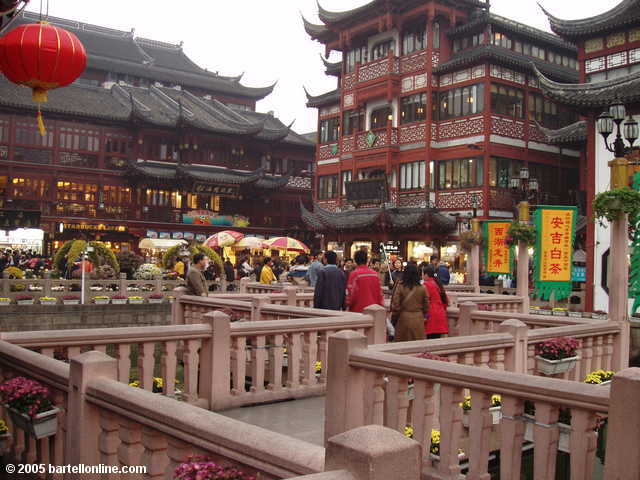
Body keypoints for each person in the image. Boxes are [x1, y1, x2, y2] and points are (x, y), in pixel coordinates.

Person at [391, 264, 429, 342]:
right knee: (418, 347)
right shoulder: (423, 288)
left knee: (402, 346)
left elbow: (395, 305)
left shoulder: (400, 286)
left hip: (403, 319)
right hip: (418, 319)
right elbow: (426, 306)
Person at [423, 264, 449, 339]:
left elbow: (425, 301)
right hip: (441, 314)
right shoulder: (438, 284)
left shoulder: (426, 284)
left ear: (426, 275)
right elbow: (446, 301)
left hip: (431, 316)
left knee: (429, 341)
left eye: (423, 274)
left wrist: (425, 316)